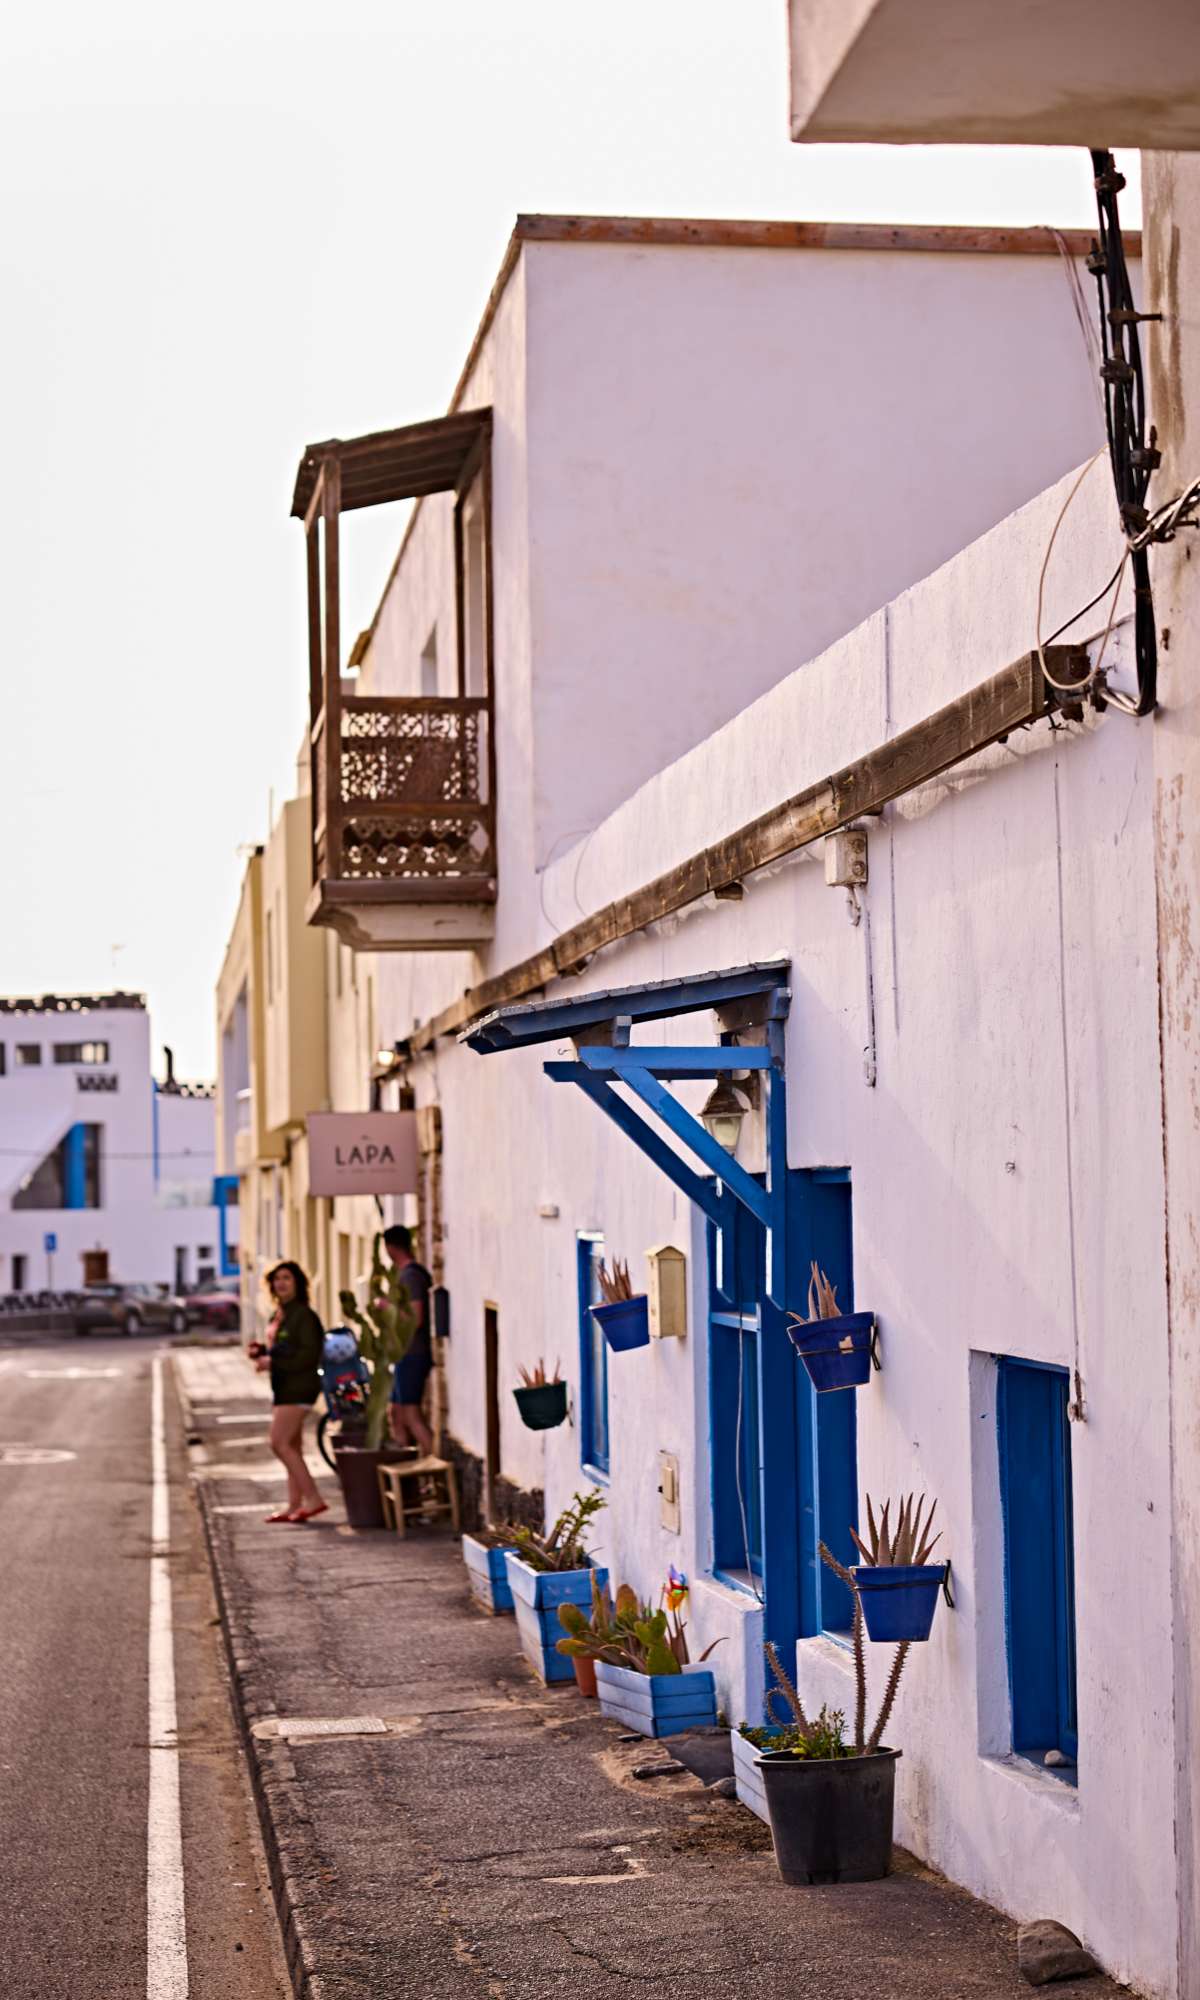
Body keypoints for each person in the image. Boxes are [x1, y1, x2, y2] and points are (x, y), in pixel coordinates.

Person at [253, 1261, 328, 1523]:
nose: (281, 1283)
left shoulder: (304, 1315)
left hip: (300, 1386)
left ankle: (314, 1498)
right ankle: (294, 1505)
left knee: (278, 1442)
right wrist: (263, 1353)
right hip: (283, 1386)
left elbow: (308, 1355)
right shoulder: (280, 1313)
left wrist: (273, 1362)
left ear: (298, 1283)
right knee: (292, 1445)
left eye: (287, 1278)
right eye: (276, 1279)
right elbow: (282, 1348)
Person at [382, 1224, 434, 1455]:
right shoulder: (406, 1274)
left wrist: (387, 1307)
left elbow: (416, 1318)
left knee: (411, 1414)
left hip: (413, 1353)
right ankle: (407, 1466)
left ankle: (432, 1467)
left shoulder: (411, 1276)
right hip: (404, 1353)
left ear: (390, 1247)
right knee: (397, 1412)